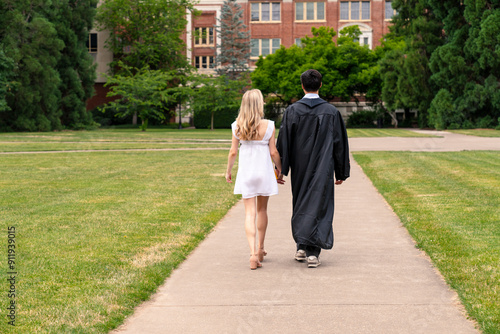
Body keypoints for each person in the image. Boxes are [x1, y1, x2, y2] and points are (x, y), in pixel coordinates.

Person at [276, 69, 350, 268]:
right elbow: (340, 143)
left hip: (300, 168)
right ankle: (311, 252)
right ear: (320, 85)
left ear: (302, 86)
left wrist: (280, 169)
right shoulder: (331, 112)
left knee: (301, 203)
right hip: (323, 167)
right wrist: (341, 171)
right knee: (319, 205)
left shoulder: (292, 111)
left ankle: (302, 246)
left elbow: (284, 142)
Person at [226, 89, 282, 270]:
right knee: (262, 210)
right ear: (260, 104)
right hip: (264, 172)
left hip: (247, 173)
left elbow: (233, 151)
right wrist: (280, 169)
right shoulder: (270, 125)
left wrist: (228, 171)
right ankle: (261, 249)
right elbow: (273, 152)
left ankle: (252, 254)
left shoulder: (236, 126)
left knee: (249, 213)